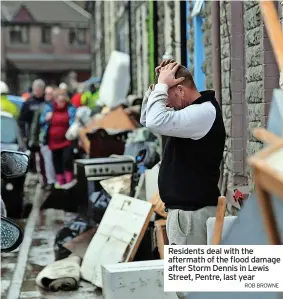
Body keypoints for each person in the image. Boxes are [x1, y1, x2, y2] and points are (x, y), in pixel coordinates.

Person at [141, 61, 226, 245]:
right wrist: (157, 86)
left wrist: (163, 85)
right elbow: (148, 119)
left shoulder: (201, 112)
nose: (166, 104)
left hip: (191, 215)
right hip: (187, 214)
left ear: (180, 90)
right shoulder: (194, 112)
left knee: (192, 274)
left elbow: (155, 121)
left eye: (167, 97)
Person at [40, 89, 76, 188]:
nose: (62, 101)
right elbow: (41, 121)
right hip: (54, 141)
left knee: (67, 160)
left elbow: (74, 122)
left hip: (67, 140)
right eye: (59, 99)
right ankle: (60, 183)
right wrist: (46, 118)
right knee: (57, 162)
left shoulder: (70, 108)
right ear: (55, 99)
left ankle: (69, 182)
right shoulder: (49, 108)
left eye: (63, 99)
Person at [29, 86, 56, 190]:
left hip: (57, 139)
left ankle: (55, 182)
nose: (48, 96)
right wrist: (33, 139)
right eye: (47, 94)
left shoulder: (58, 106)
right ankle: (46, 182)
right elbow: (35, 124)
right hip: (44, 138)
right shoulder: (42, 107)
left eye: (51, 94)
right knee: (44, 162)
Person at [18, 79, 46, 176]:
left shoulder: (47, 103)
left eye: (39, 89)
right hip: (31, 137)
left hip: (45, 137)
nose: (37, 91)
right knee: (33, 161)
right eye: (36, 89)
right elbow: (21, 121)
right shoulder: (28, 103)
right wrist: (24, 135)